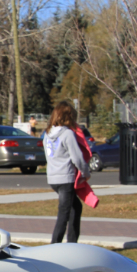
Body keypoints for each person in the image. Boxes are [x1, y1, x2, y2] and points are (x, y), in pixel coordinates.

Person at [44, 101, 91, 243]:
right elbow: (77, 157)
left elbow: (48, 156)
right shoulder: (67, 134)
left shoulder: (47, 134)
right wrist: (85, 172)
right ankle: (55, 245)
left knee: (75, 207)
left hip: (53, 178)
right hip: (65, 178)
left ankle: (72, 243)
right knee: (64, 214)